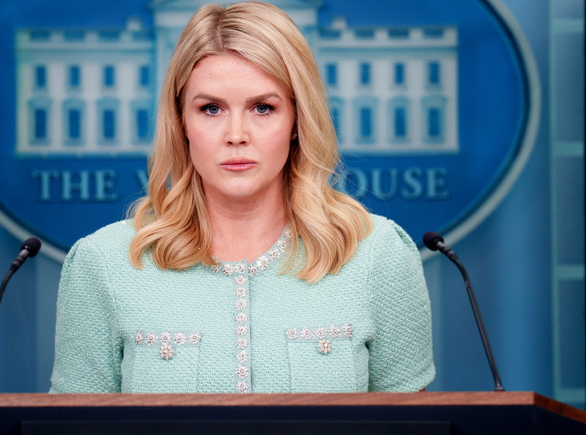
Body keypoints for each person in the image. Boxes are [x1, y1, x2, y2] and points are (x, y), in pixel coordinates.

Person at [50, 1, 435, 394]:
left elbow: (414, 429)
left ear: (298, 121)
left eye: (263, 108)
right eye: (211, 108)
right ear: (181, 120)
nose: (236, 134)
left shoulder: (377, 253)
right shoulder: (104, 262)